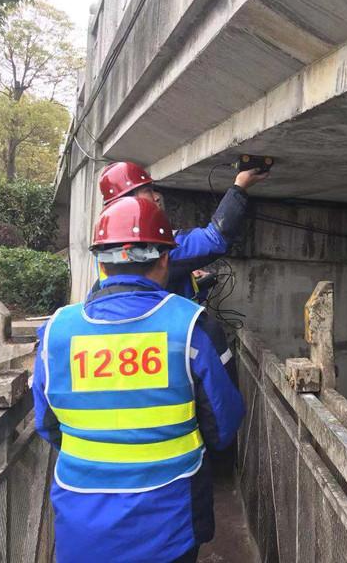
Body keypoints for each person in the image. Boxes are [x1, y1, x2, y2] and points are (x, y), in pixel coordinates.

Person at [32, 196, 245, 563]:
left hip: (81, 525)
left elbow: (48, 425)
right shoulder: (191, 326)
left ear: (100, 261)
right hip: (169, 525)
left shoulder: (56, 332)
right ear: (165, 258)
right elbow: (223, 426)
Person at [97, 160, 269, 299]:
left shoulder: (108, 246)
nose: (157, 197)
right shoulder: (154, 245)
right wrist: (239, 187)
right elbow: (216, 238)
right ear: (127, 200)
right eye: (148, 191)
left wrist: (189, 278)